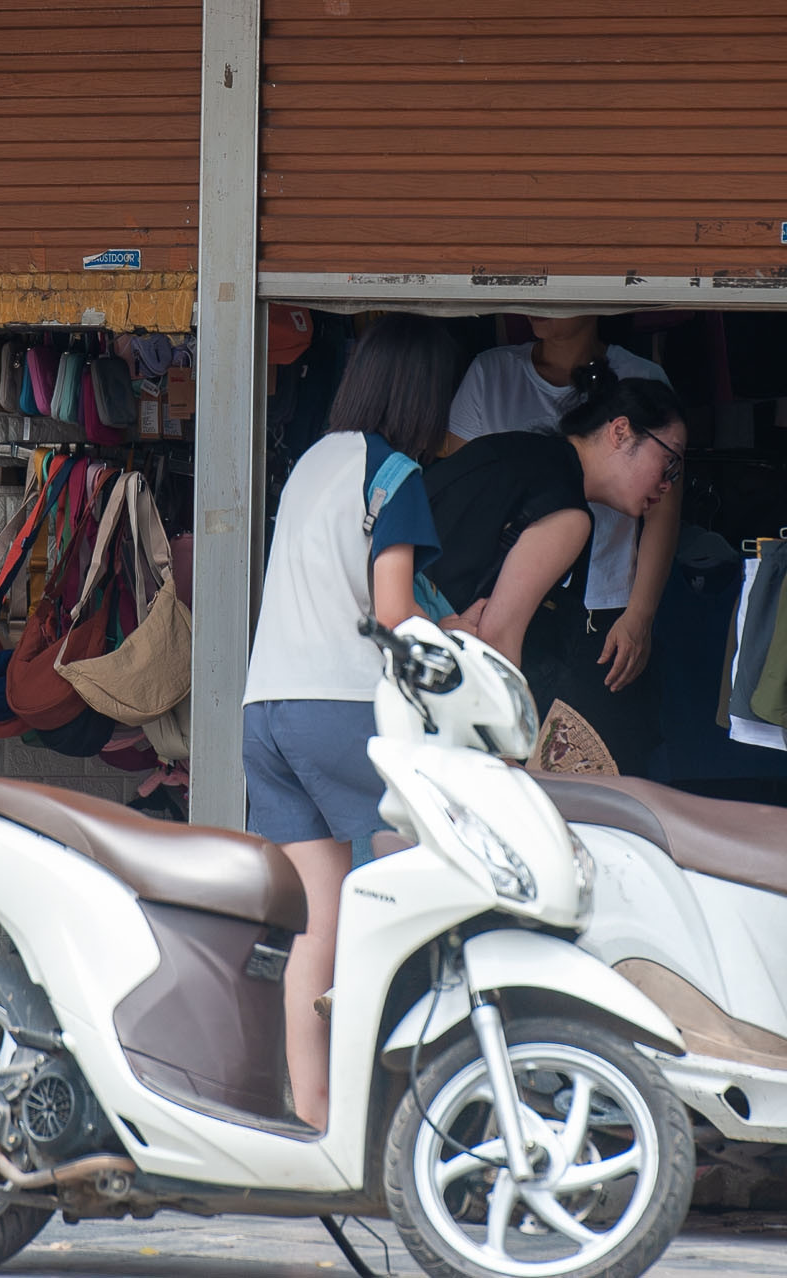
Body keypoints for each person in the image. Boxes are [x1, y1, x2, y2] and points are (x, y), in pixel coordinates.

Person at [242, 313, 464, 1129]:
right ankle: (391, 1101)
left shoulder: (314, 461)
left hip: (265, 709)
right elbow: (396, 614)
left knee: (318, 919)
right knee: (400, 899)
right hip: (339, 709)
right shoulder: (394, 471)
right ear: (422, 393)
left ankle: (313, 1109)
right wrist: (458, 651)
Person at [426, 367, 686, 772]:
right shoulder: (568, 513)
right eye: (668, 462)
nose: (669, 484)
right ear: (620, 432)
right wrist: (510, 763)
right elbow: (498, 640)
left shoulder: (517, 451)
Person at [444, 315, 679, 697]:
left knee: (588, 746)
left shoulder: (641, 377)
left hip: (600, 603)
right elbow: (467, 491)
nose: (539, 300)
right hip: (488, 598)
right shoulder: (492, 371)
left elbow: (664, 510)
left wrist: (639, 614)